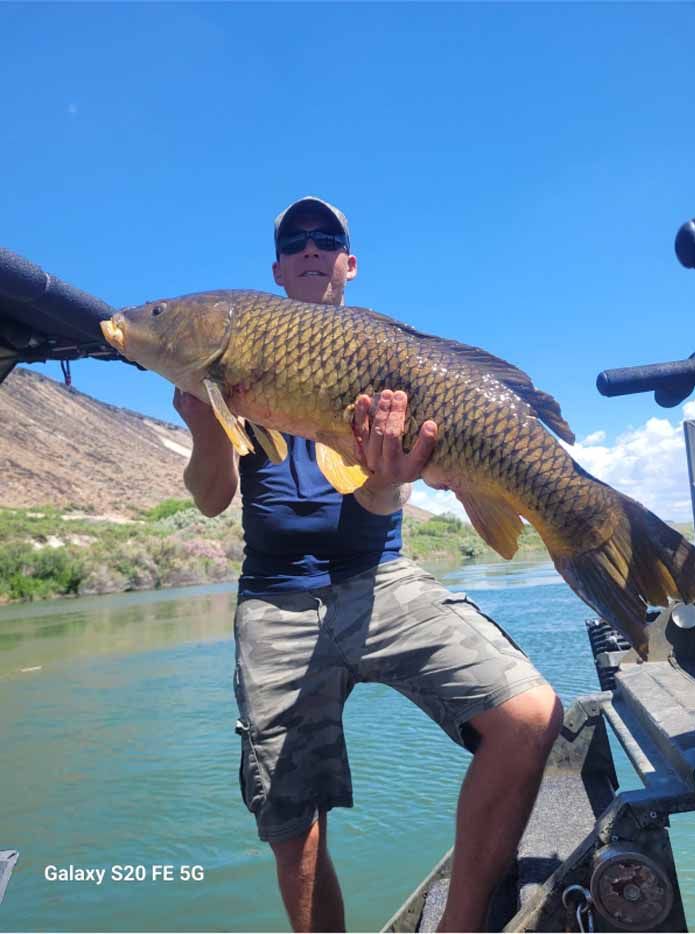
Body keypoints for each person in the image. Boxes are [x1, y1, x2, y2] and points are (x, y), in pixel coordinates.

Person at [174, 196, 563, 933]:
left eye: (328, 239)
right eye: (296, 242)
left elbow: (381, 504)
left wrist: (390, 475)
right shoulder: (228, 362)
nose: (312, 247)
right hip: (276, 599)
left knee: (531, 715)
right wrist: (203, 427)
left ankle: (461, 923)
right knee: (291, 824)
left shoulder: (380, 356)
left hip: (381, 579)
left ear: (349, 264)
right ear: (278, 269)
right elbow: (209, 497)